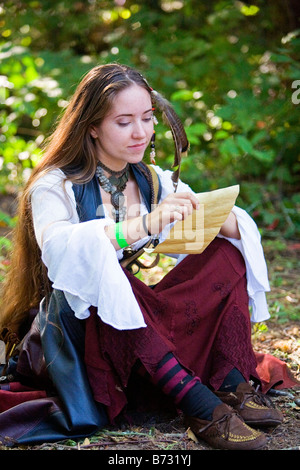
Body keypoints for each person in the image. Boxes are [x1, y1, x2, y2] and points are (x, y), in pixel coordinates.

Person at [0, 63, 286, 450]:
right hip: (81, 327)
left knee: (225, 253)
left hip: (130, 320)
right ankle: (198, 404)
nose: (140, 132)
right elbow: (59, 248)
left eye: (147, 118)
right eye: (124, 121)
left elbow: (224, 228)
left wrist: (212, 212)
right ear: (92, 126)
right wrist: (141, 225)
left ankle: (230, 383)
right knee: (114, 280)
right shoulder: (55, 185)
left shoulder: (151, 178)